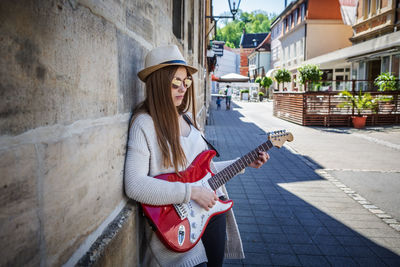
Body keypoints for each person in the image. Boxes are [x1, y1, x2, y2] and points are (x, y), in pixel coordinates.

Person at [124, 45, 269, 267]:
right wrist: (191, 193)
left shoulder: (188, 118)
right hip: (177, 225)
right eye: (175, 83)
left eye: (186, 81)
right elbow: (134, 185)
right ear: (157, 83)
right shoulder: (144, 123)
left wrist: (244, 163)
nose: (183, 88)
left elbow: (203, 175)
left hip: (211, 213)